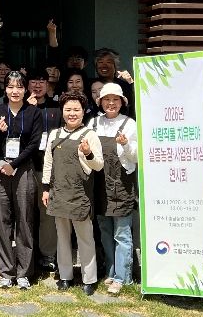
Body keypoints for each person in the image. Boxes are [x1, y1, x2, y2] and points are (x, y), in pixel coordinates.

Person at [42, 92, 104, 296]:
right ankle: (65, 276)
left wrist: (87, 152)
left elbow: (98, 165)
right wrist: (46, 188)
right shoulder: (54, 134)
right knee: (62, 237)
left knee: (85, 238)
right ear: (62, 111)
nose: (72, 113)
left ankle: (89, 279)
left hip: (80, 194)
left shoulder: (89, 135)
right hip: (58, 192)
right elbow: (48, 163)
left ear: (83, 111)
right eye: (68, 109)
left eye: (76, 109)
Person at [0, 71, 43, 289]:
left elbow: (34, 144)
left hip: (23, 169)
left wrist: (15, 164)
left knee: (25, 219)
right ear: (5, 89)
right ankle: (6, 271)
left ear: (25, 89)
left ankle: (24, 272)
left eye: (19, 87)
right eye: (11, 86)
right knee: (1, 220)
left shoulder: (33, 112)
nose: (15, 91)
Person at [88, 83, 138, 295]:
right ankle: (110, 271)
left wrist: (125, 144)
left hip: (121, 184)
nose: (111, 103)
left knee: (122, 233)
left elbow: (136, 157)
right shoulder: (93, 123)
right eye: (106, 99)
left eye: (115, 99)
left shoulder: (129, 124)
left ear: (122, 102)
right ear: (100, 102)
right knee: (105, 231)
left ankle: (122, 276)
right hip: (100, 185)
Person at [26, 68, 61, 272]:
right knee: (25, 213)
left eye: (41, 81)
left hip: (46, 169)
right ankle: (26, 254)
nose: (37, 85)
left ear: (48, 85)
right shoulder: (20, 108)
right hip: (23, 167)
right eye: (33, 81)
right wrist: (28, 111)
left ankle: (48, 255)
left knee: (47, 213)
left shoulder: (57, 109)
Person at [93, 48, 135, 118]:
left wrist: (131, 83)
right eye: (100, 62)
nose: (104, 65)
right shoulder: (91, 85)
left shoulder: (125, 86)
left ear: (116, 66)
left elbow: (137, 103)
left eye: (108, 62)